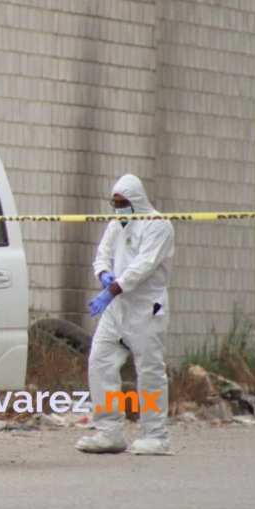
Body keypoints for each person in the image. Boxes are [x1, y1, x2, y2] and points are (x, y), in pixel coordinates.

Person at [76, 174, 175, 455]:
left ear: (137, 201)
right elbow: (102, 255)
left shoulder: (158, 226)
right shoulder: (116, 225)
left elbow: (144, 266)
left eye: (124, 203)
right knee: (100, 364)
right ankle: (109, 431)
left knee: (150, 371)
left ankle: (156, 436)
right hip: (117, 310)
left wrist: (113, 290)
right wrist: (104, 274)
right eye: (115, 203)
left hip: (146, 310)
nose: (119, 208)